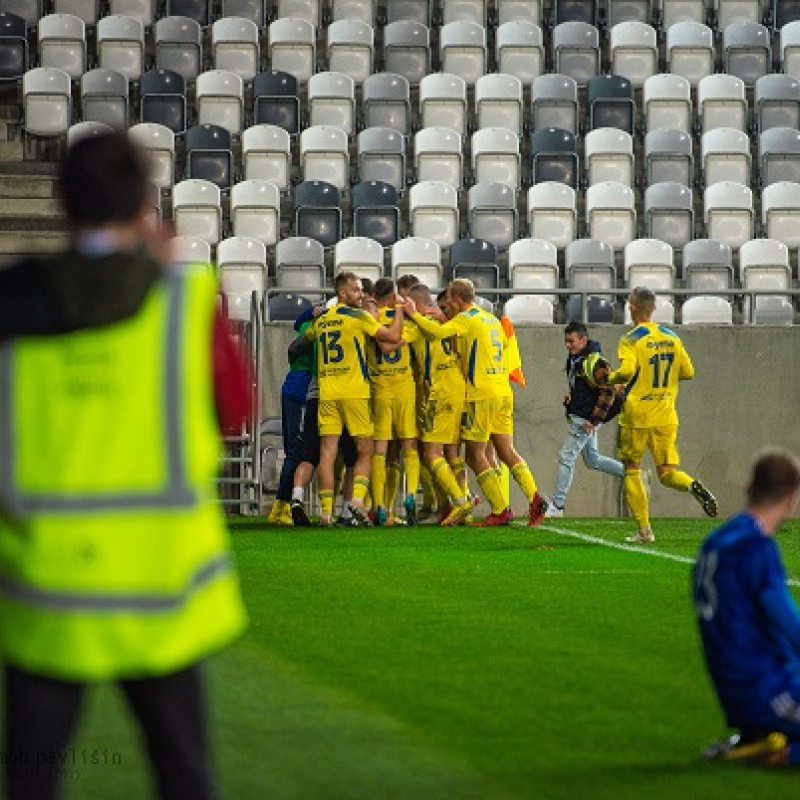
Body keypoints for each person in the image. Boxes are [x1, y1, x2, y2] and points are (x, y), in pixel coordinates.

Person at [0, 133, 248, 800]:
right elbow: (234, 411)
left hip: (42, 592)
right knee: (184, 776)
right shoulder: (184, 305)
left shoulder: (10, 303)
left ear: (60, 203)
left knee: (30, 782)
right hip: (160, 589)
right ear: (145, 206)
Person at [404, 279, 548, 527]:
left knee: (475, 455)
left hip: (482, 394)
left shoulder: (465, 319)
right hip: (503, 390)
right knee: (506, 450)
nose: (448, 303)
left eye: (449, 299)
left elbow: (437, 333)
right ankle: (534, 497)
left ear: (458, 299)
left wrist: (413, 315)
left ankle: (501, 510)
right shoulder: (490, 319)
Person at [694, 448, 800, 767]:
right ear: (792, 499)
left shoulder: (713, 543)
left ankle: (761, 739)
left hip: (733, 694)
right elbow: (790, 626)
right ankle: (781, 751)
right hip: (767, 692)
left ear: (749, 489)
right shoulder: (757, 548)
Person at [607, 286, 717, 543]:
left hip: (637, 414)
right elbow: (688, 372)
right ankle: (691, 485)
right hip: (666, 413)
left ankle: (645, 530)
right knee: (667, 472)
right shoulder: (672, 336)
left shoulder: (631, 339)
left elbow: (625, 372)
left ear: (631, 306)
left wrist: (609, 379)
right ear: (653, 308)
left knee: (632, 469)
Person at [301, 271, 405, 526]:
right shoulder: (359, 317)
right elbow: (391, 337)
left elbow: (305, 339)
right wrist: (400, 310)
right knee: (365, 449)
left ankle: (326, 513)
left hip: (327, 392)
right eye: (356, 290)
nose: (361, 295)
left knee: (328, 451)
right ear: (342, 293)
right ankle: (356, 502)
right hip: (354, 392)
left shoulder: (324, 320)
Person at [547, 322, 625, 518]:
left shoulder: (596, 363)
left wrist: (595, 419)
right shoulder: (576, 359)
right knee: (593, 460)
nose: (568, 345)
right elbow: (585, 389)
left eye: (571, 341)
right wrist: (572, 400)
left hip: (584, 420)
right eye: (566, 341)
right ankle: (633, 475)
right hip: (581, 416)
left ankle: (557, 505)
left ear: (584, 340)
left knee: (566, 457)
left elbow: (608, 392)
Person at [368, 278, 421, 526]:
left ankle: (379, 506)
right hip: (404, 388)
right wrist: (400, 339)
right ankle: (410, 494)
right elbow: (395, 345)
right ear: (393, 296)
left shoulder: (370, 318)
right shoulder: (406, 317)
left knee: (379, 449)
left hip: (380, 388)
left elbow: (383, 346)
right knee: (409, 444)